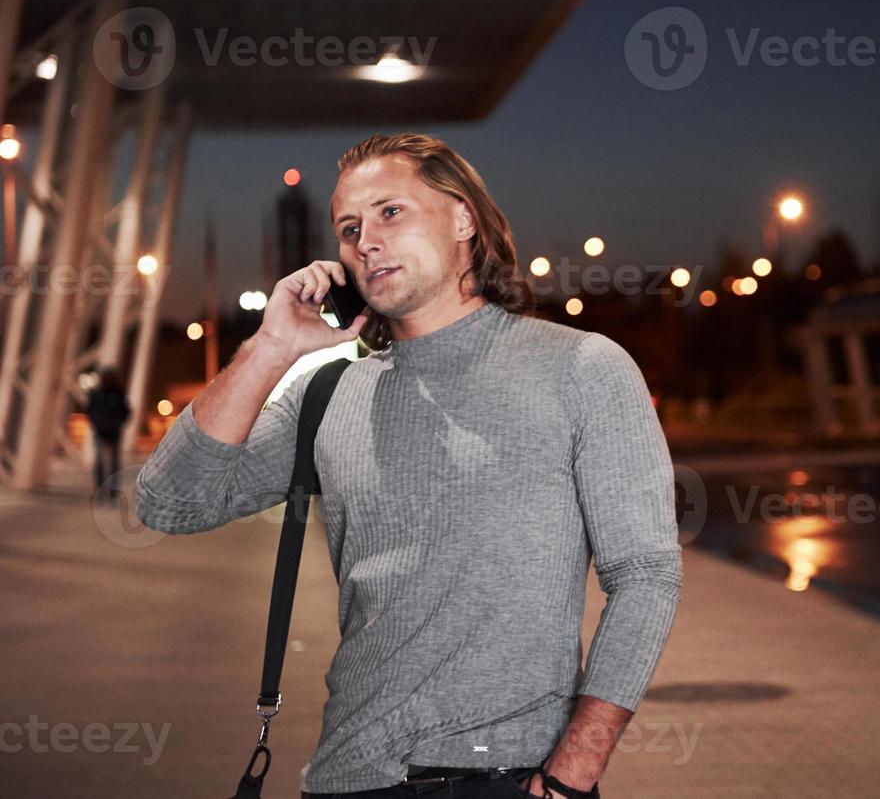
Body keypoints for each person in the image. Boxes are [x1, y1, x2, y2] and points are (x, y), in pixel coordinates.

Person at [136, 133, 683, 798]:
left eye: (390, 212)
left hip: (514, 779)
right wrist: (270, 348)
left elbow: (645, 575)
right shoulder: (329, 393)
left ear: (463, 219)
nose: (365, 239)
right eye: (349, 227)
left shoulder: (580, 368)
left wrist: (573, 774)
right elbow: (169, 503)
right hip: (351, 778)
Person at [86, 368, 131, 502]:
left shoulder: (118, 394)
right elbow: (90, 411)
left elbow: (126, 412)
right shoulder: (96, 394)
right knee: (100, 462)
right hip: (100, 432)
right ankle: (100, 490)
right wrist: (97, 424)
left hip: (114, 433)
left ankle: (112, 491)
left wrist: (117, 424)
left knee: (113, 463)